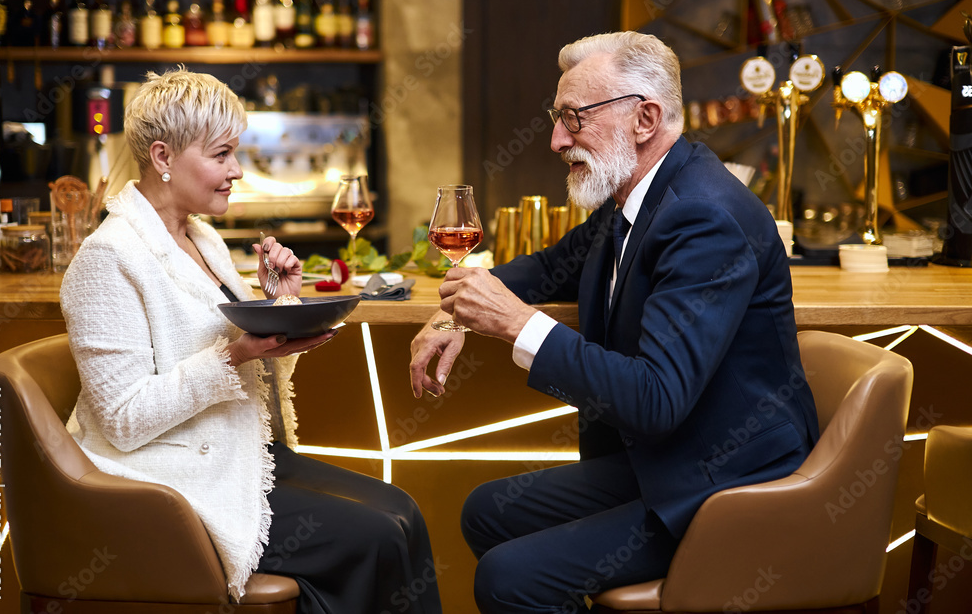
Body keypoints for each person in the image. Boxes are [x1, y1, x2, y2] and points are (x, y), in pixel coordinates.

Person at [409, 31, 819, 613]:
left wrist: (517, 325)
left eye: (573, 119)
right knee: (487, 509)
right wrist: (452, 309)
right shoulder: (636, 196)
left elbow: (656, 398)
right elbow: (549, 267)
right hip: (670, 458)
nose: (555, 139)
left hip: (729, 481)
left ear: (645, 119)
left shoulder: (703, 217)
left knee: (509, 578)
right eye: (557, 118)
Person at [61, 67, 443, 614]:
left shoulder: (201, 235)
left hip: (238, 453)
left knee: (403, 511)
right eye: (220, 155)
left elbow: (243, 349)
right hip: (170, 479)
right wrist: (236, 352)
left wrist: (276, 302)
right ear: (164, 158)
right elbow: (122, 419)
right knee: (379, 536)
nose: (237, 170)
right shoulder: (107, 258)